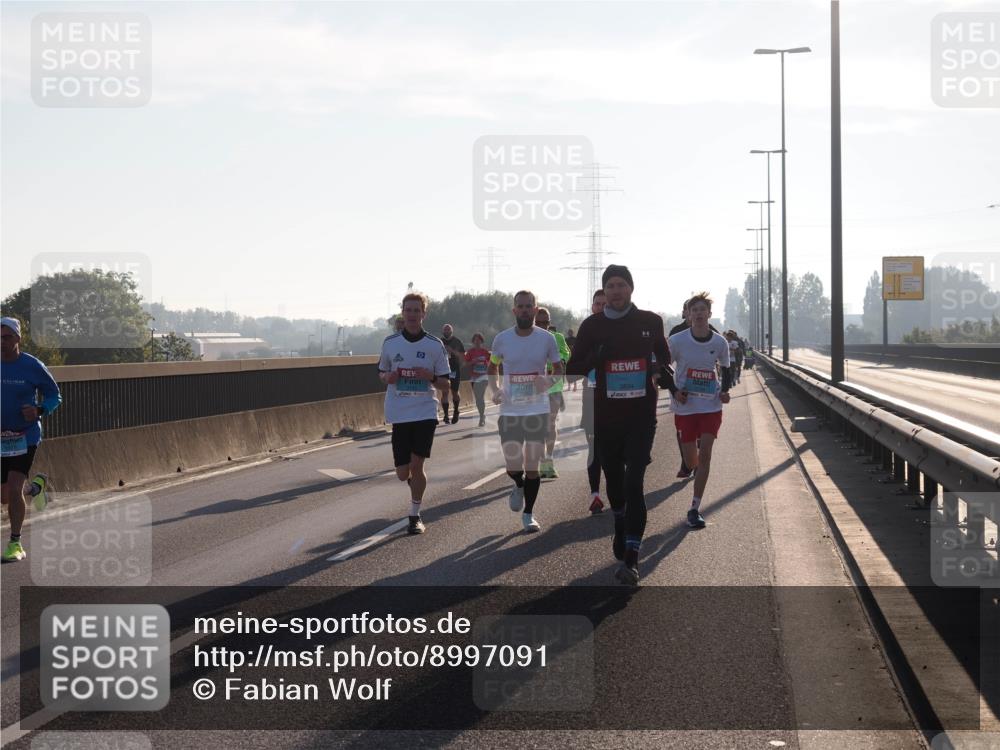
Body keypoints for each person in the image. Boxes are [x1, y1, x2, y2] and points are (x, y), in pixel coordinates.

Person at [567, 266, 669, 585]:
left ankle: (631, 559)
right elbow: (573, 369)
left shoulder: (650, 322)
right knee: (614, 483)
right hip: (606, 420)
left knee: (634, 483)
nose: (615, 291)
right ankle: (620, 521)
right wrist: (595, 359)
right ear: (604, 292)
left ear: (631, 288)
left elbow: (664, 361)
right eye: (609, 286)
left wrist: (659, 372)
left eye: (621, 285)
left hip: (641, 418)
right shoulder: (592, 326)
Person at [488, 291, 563, 533]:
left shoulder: (547, 339)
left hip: (537, 409)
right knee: (513, 466)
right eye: (520, 306)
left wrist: (548, 382)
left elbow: (558, 368)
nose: (524, 310)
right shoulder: (502, 339)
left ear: (535, 309)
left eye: (528, 306)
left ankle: (529, 514)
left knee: (532, 465)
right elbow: (492, 366)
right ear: (514, 310)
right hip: (510, 410)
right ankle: (517, 484)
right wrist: (495, 389)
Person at [378, 295, 452, 535]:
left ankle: (414, 515)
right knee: (403, 473)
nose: (411, 314)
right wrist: (388, 378)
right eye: (407, 310)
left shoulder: (434, 345)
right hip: (399, 413)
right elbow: (382, 373)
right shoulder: (390, 343)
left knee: (417, 465)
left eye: (416, 310)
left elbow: (445, 384)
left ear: (424, 314)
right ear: (403, 312)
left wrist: (429, 376)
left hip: (424, 412)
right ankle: (414, 487)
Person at [663, 293, 732, 529]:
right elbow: (664, 367)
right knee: (692, 460)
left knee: (706, 456)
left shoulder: (719, 342)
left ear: (709, 314)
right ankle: (691, 466)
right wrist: (675, 390)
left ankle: (694, 507)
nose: (699, 314)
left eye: (703, 310)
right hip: (686, 407)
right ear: (688, 314)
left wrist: (724, 390)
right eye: (695, 310)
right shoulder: (677, 341)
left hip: (711, 405)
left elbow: (726, 368)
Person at [1, 317, 61, 562]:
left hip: (25, 437)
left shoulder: (32, 366)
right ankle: (36, 487)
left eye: (7, 337)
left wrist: (39, 410)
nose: (2, 342)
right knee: (5, 496)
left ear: (18, 339)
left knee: (14, 489)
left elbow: (54, 395)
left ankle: (15, 543)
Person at [579, 289, 607, 514]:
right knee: (594, 449)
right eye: (597, 303)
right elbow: (576, 364)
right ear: (592, 306)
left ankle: (620, 490)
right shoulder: (586, 329)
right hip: (591, 395)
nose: (600, 307)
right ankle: (595, 494)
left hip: (617, 398)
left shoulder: (621, 328)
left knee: (616, 449)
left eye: (604, 303)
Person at [534, 309, 570, 479]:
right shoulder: (527, 338)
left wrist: (560, 360)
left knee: (549, 424)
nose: (542, 326)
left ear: (549, 322)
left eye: (545, 323)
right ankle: (539, 459)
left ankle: (548, 460)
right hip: (533, 388)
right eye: (538, 323)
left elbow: (566, 353)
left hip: (554, 387)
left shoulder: (558, 337)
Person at [464, 333, 491, 427]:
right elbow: (466, 364)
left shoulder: (485, 351)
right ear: (473, 341)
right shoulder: (470, 352)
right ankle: (482, 415)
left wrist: (487, 365)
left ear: (481, 341)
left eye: (479, 340)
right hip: (474, 377)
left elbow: (492, 363)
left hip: (483, 377)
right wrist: (473, 362)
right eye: (475, 340)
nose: (477, 342)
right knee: (478, 398)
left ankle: (481, 418)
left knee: (480, 396)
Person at [440, 324, 465, 424]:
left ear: (452, 331)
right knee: (444, 392)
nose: (447, 331)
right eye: (445, 330)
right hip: (442, 370)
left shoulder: (457, 341)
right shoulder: (439, 342)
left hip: (454, 369)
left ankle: (456, 411)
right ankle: (446, 415)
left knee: (454, 392)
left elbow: (462, 357)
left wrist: (452, 351)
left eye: (448, 330)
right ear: (442, 331)